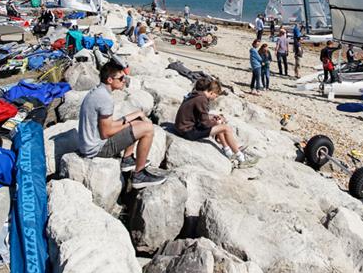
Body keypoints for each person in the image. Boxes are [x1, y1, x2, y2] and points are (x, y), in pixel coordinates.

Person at [77, 60, 166, 189]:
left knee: (137, 120)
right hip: (96, 149)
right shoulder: (105, 99)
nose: (124, 80)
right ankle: (139, 175)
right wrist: (129, 123)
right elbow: (106, 132)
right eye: (121, 78)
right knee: (147, 129)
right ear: (109, 80)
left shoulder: (98, 92)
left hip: (90, 143)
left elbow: (106, 126)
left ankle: (128, 159)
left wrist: (135, 116)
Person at [174, 77, 256, 167]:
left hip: (183, 127)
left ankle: (228, 151)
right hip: (188, 131)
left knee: (218, 124)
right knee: (225, 128)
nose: (215, 98)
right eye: (216, 96)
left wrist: (212, 118)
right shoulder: (201, 99)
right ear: (211, 92)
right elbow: (205, 124)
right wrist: (217, 122)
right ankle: (241, 158)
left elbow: (198, 116)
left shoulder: (195, 95)